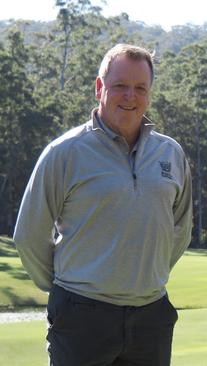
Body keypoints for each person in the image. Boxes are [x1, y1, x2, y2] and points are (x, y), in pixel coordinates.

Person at [13, 43, 193, 366]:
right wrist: (61, 284)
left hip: (150, 317)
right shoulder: (64, 152)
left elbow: (180, 227)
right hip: (81, 317)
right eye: (120, 86)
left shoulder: (171, 154)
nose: (130, 96)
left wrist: (148, 275)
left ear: (149, 93)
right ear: (99, 88)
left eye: (140, 88)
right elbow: (29, 235)